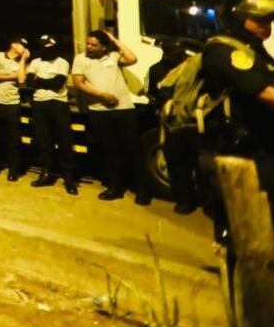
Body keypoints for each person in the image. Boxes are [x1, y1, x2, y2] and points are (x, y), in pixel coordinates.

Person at [199, 0, 274, 246]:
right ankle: (245, 263)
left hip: (271, 145)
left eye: (269, 21)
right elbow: (262, 91)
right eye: (259, 21)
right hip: (247, 149)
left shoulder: (254, 50)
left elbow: (267, 81)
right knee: (255, 218)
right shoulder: (224, 49)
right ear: (238, 19)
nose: (266, 27)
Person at [72, 29, 152, 204]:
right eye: (88, 43)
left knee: (133, 150)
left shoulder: (114, 56)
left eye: (94, 45)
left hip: (124, 110)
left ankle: (142, 191)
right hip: (99, 111)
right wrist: (101, 95)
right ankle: (115, 188)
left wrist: (114, 39)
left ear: (104, 47)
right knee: (109, 151)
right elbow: (78, 83)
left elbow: (132, 58)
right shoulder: (80, 59)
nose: (89, 47)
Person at [149, 40, 203, 214]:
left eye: (182, 53)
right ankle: (184, 200)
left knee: (200, 164)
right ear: (166, 55)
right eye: (177, 54)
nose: (182, 57)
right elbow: (155, 93)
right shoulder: (157, 70)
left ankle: (205, 199)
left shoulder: (194, 66)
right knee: (176, 164)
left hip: (194, 121)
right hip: (172, 123)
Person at [27, 35, 77, 194]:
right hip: (40, 104)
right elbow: (29, 82)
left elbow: (57, 84)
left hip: (59, 104)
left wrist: (39, 80)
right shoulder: (35, 62)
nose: (46, 51)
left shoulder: (62, 62)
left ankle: (69, 178)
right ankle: (46, 173)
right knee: (43, 141)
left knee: (64, 142)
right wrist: (46, 81)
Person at [0, 37, 28, 180]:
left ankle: (13, 169)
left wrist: (23, 61)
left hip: (11, 104)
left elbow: (22, 80)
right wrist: (13, 76)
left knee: (13, 139)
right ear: (13, 44)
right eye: (22, 45)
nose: (24, 48)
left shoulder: (22, 63)